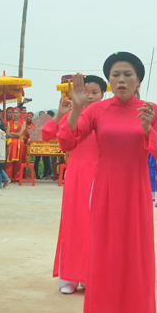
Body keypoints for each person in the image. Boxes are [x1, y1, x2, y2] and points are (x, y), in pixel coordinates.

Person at [59, 52, 157, 313]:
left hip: (136, 193)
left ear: (138, 80)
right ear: (109, 80)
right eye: (116, 75)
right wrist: (76, 110)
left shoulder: (150, 111)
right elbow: (67, 142)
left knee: (134, 259)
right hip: (105, 191)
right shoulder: (97, 109)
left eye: (128, 75)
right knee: (106, 258)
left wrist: (148, 131)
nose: (121, 80)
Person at [51, 76, 106, 294]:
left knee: (98, 226)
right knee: (75, 222)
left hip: (102, 174)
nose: (90, 96)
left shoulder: (108, 116)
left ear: (103, 95)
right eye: (87, 92)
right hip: (77, 174)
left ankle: (91, 276)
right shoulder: (74, 116)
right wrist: (65, 113)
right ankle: (70, 277)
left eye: (95, 92)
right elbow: (56, 136)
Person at [5, 107, 26, 182]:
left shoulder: (23, 123)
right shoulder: (9, 122)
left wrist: (12, 133)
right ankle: (8, 177)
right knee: (9, 161)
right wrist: (15, 135)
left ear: (20, 114)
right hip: (11, 143)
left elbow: (20, 134)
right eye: (14, 113)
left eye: (17, 113)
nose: (16, 114)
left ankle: (17, 177)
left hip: (19, 144)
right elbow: (7, 134)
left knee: (19, 161)